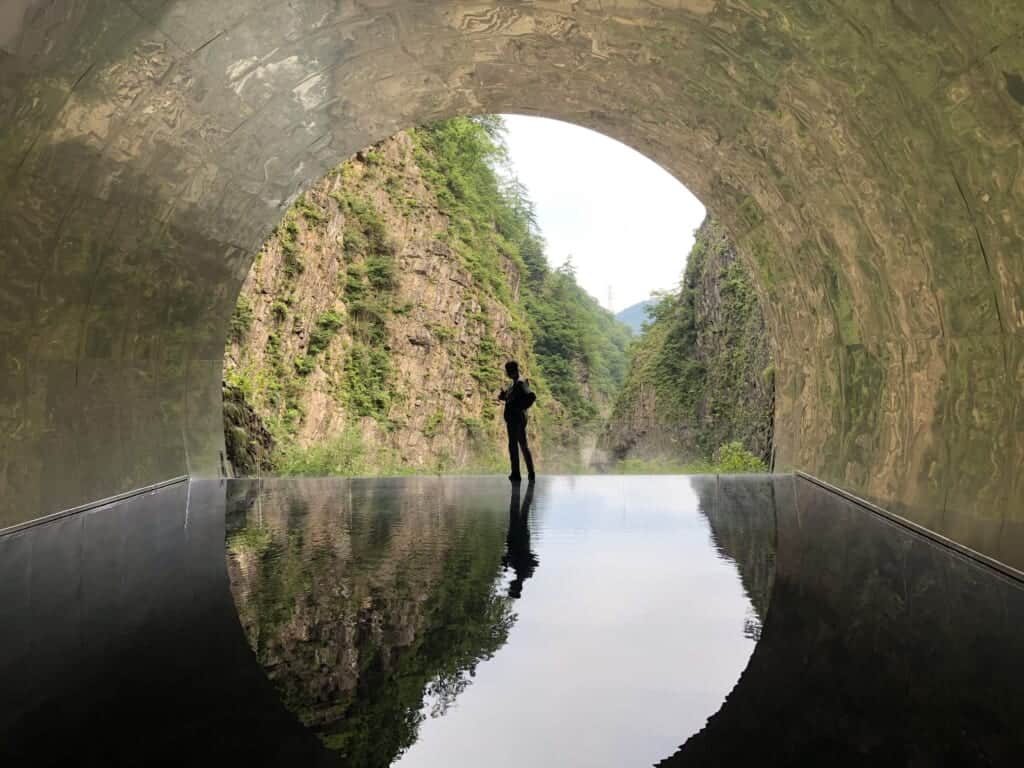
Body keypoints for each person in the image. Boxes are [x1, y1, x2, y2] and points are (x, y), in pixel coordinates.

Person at [497, 360, 536, 483]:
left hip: (517, 420)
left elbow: (531, 397)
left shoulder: (520, 383)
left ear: (511, 371)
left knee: (520, 445)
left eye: (508, 371)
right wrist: (504, 397)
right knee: (516, 445)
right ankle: (519, 473)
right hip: (513, 420)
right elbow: (511, 398)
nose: (507, 373)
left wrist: (519, 408)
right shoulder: (513, 385)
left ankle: (526, 473)